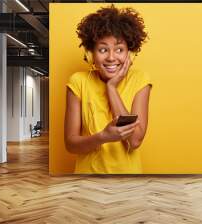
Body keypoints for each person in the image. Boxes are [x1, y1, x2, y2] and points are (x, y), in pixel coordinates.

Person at [64, 5, 151, 174]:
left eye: (119, 50)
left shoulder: (140, 80)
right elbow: (70, 144)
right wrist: (103, 137)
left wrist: (112, 88)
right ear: (91, 54)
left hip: (128, 181)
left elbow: (134, 141)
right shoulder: (78, 82)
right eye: (103, 49)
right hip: (88, 180)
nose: (111, 57)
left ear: (129, 54)